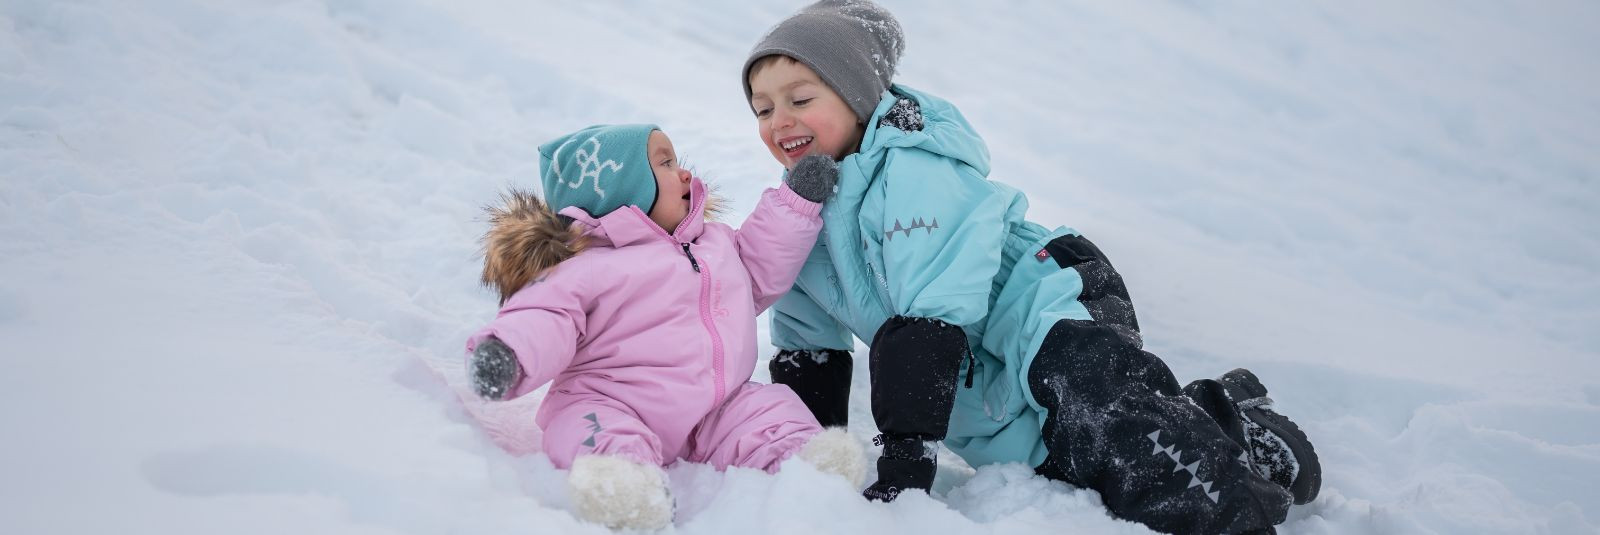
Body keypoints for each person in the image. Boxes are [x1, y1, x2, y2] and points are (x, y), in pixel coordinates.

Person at [741, 2, 1321, 533]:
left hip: (1052, 306)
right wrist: (813, 460)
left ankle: (1230, 512)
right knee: (1078, 460)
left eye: (801, 99)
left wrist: (906, 467)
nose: (779, 121)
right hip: (983, 372)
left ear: (857, 97)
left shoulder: (915, 173)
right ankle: (1228, 422)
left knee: (1126, 443)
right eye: (763, 109)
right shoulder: (797, 222)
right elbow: (809, 353)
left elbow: (929, 322)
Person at [465, 124, 865, 530]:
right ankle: (621, 485)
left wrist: (794, 203)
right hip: (611, 400)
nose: (686, 173)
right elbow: (543, 317)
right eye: (666, 163)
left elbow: (758, 264)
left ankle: (805, 462)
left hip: (716, 405)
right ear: (623, 190)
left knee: (768, 411)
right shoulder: (583, 267)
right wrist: (507, 353)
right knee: (591, 432)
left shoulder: (715, 245)